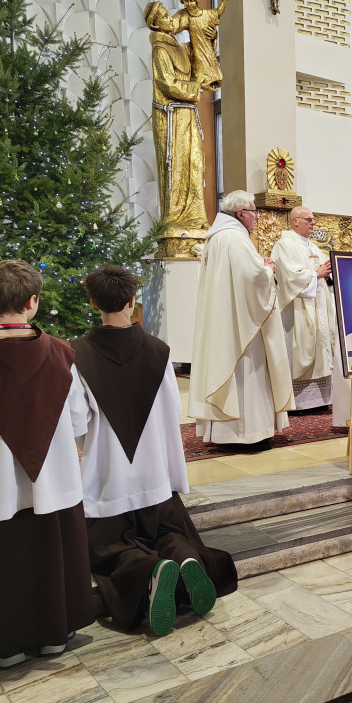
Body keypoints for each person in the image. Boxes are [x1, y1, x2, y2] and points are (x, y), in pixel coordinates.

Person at [0, 260, 94, 668]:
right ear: (33, 302)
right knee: (51, 556)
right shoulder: (64, 354)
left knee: (1, 563)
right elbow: (80, 418)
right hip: (53, 480)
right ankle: (55, 636)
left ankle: (6, 647)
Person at [75, 266, 238, 636]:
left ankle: (149, 572)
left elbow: (76, 423)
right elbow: (170, 411)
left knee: (110, 546)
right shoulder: (159, 351)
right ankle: (184, 558)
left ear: (93, 302)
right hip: (154, 479)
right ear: (133, 302)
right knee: (167, 530)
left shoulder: (77, 355)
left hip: (108, 481)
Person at [189, 190, 295, 443]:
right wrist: (267, 269)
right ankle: (249, 434)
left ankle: (225, 433)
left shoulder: (217, 238)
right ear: (240, 213)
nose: (256, 218)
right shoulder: (236, 238)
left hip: (225, 317)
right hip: (243, 322)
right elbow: (253, 279)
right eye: (254, 212)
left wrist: (260, 266)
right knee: (248, 372)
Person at [146, 1, 209, 235]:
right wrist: (195, 88)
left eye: (168, 13)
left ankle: (195, 216)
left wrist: (203, 30)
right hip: (171, 116)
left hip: (188, 114)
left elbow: (200, 53)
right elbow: (166, 83)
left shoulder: (179, 46)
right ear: (156, 24)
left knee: (195, 164)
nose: (169, 17)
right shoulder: (160, 49)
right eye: (163, 16)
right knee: (176, 167)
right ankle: (175, 220)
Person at [272, 205, 338, 408]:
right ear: (295, 221)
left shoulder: (312, 247)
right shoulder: (285, 245)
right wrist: (316, 273)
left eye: (313, 219)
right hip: (299, 311)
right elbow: (289, 276)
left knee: (322, 350)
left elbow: (324, 272)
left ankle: (321, 400)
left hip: (318, 307)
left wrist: (329, 275)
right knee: (302, 350)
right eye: (308, 219)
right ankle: (299, 403)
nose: (313, 223)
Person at [170, 0, 228, 91]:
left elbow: (217, 13)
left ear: (197, 0)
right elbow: (171, 27)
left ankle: (205, 83)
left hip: (207, 48)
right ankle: (200, 84)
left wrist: (225, 1)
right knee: (199, 73)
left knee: (216, 75)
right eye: (186, 1)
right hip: (197, 51)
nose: (189, 4)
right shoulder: (185, 15)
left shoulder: (206, 14)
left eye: (191, 1)